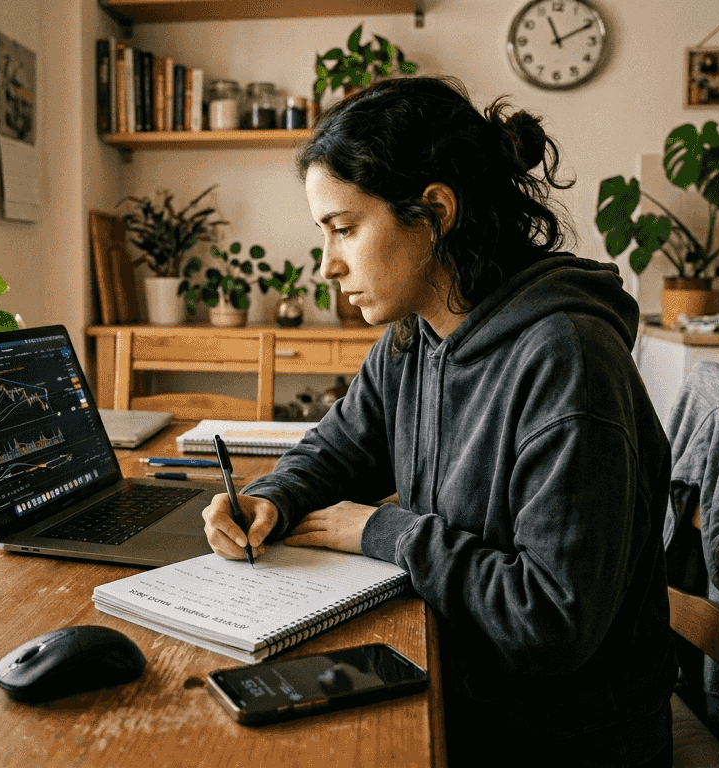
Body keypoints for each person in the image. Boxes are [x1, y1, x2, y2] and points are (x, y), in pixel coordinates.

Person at [201, 76, 677, 767]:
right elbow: (338, 448)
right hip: (465, 685)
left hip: (561, 738)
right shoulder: (416, 336)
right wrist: (273, 497)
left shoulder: (567, 360)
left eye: (344, 229)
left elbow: (553, 621)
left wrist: (379, 530)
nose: (328, 266)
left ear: (434, 212)